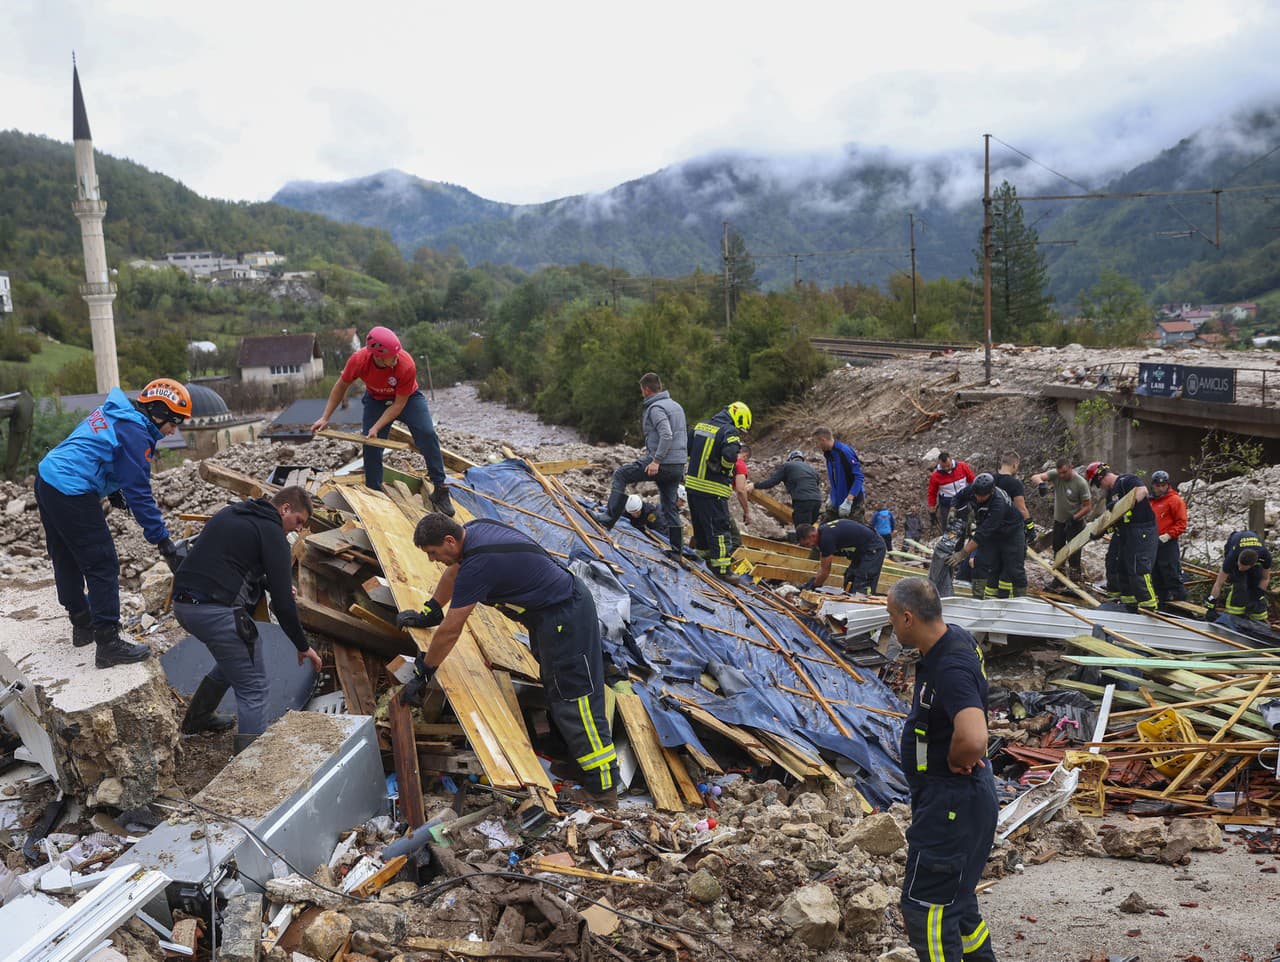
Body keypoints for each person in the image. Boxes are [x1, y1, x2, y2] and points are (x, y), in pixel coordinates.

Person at [396, 514, 618, 804]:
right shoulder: (473, 532)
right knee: (558, 689)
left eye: (433, 553)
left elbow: (452, 629)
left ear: (449, 541)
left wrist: (424, 672)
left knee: (576, 699)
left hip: (566, 616)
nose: (432, 560)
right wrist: (432, 609)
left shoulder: (480, 563)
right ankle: (578, 763)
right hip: (552, 615)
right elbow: (454, 572)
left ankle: (603, 790)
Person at [36, 379, 190, 668]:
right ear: (158, 413)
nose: (174, 430)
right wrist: (165, 543)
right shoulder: (135, 433)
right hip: (72, 490)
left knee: (66, 555)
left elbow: (96, 451)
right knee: (103, 562)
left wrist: (113, 489)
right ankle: (108, 643)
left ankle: (82, 623)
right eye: (174, 422)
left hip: (48, 478)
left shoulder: (116, 413)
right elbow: (140, 492)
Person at [887, 577, 997, 962]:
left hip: (951, 803)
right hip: (962, 801)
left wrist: (956, 757)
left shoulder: (950, 664)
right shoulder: (954, 639)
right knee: (959, 903)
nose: (891, 626)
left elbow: (973, 736)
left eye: (891, 618)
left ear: (907, 617)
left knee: (926, 909)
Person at [172, 486, 323, 753]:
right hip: (216, 611)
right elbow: (284, 606)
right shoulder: (273, 532)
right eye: (298, 521)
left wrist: (269, 581)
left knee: (239, 656)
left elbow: (227, 562)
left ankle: (198, 719)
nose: (298, 530)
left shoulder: (230, 513)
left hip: (184, 605)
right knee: (254, 687)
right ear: (284, 508)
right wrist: (302, 646)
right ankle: (250, 765)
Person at [311, 326, 454, 515]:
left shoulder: (406, 364)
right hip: (376, 400)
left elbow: (398, 405)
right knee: (370, 444)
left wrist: (377, 426)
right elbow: (340, 386)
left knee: (427, 433)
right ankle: (374, 491)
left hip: (408, 399)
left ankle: (440, 488)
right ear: (377, 355)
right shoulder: (359, 360)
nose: (395, 359)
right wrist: (325, 417)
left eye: (396, 355)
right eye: (391, 357)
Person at [596, 373, 687, 560]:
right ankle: (677, 551)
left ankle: (608, 518)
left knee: (621, 475)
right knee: (670, 507)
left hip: (662, 462)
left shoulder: (656, 408)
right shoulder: (676, 406)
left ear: (646, 389)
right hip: (677, 465)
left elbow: (667, 435)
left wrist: (656, 461)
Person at [686, 402, 750, 579]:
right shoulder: (729, 431)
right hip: (713, 488)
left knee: (700, 527)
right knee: (719, 528)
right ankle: (722, 569)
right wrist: (722, 468)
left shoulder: (701, 426)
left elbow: (687, 448)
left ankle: (704, 558)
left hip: (692, 486)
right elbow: (730, 456)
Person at [1087, 463, 1157, 613]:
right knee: (1121, 566)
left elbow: (1142, 491)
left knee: (1138, 568)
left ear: (1101, 476)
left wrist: (1122, 505)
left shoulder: (1127, 480)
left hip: (1141, 529)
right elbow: (1113, 518)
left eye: (1098, 484)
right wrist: (1101, 531)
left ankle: (1149, 606)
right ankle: (1128, 604)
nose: (1100, 487)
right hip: (1126, 531)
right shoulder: (1110, 494)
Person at [946, 473, 1027, 599]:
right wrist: (952, 509)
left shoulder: (998, 504)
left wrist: (962, 554)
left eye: (983, 496)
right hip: (991, 532)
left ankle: (1021, 601)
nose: (978, 498)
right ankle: (977, 598)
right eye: (977, 495)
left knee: (1015, 569)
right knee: (980, 563)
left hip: (1012, 532)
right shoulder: (974, 489)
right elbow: (958, 496)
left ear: (991, 491)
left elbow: (981, 535)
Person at [1029, 458, 1092, 583]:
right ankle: (1059, 579)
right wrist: (1041, 484)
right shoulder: (1056, 475)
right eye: (1060, 473)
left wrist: (1074, 518)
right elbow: (1035, 477)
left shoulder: (1080, 483)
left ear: (1071, 468)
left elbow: (1088, 507)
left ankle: (1075, 581)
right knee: (1058, 551)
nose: (1062, 475)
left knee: (1074, 554)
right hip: (1059, 522)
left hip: (1075, 523)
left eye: (1065, 472)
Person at [796, 520, 886, 595]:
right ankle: (849, 604)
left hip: (874, 547)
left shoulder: (826, 538)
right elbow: (822, 566)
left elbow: (825, 572)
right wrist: (812, 583)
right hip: (862, 548)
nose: (811, 546)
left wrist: (812, 588)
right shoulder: (823, 531)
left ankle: (861, 608)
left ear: (813, 535)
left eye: (808, 543)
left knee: (863, 581)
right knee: (850, 577)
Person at [1206, 530, 1272, 622]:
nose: (1240, 568)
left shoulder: (1265, 555)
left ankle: (1258, 619)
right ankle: (1235, 616)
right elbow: (1218, 583)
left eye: (1243, 567)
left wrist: (1256, 596)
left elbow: (1265, 578)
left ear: (1252, 565)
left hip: (1254, 554)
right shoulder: (1232, 557)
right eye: (1239, 565)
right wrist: (1211, 606)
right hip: (1234, 543)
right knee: (1240, 585)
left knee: (1255, 583)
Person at [1149, 470, 1188, 605]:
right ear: (1153, 486)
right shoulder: (1151, 501)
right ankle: (1163, 605)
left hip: (1168, 544)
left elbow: (1182, 523)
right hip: (1153, 544)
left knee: (1172, 576)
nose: (1160, 488)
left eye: (1163, 485)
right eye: (1157, 486)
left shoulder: (1174, 500)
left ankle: (1182, 606)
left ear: (1167, 485)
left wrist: (1168, 536)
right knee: (1156, 576)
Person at [755, 450, 823, 527]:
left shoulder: (787, 466)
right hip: (817, 501)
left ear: (790, 459)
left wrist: (755, 486)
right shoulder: (812, 469)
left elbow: (772, 482)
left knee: (802, 530)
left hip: (803, 500)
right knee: (809, 528)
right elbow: (816, 483)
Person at [814, 426, 865, 522]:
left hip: (853, 502)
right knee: (826, 530)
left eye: (816, 442)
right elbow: (836, 479)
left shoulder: (844, 452)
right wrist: (832, 497)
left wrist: (849, 500)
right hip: (837, 501)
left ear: (823, 440)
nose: (816, 446)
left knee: (854, 533)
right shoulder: (829, 455)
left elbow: (859, 477)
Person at [994, 450, 1035, 545]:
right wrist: (1030, 528)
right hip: (1009, 528)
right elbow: (1022, 509)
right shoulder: (1015, 484)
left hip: (991, 525)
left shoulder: (990, 479)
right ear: (1014, 465)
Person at [927, 452, 974, 531]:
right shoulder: (935, 476)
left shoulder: (962, 466)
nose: (946, 468)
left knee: (967, 527)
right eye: (943, 466)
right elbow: (932, 493)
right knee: (948, 529)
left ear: (951, 460)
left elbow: (972, 481)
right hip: (947, 506)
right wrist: (932, 510)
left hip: (964, 502)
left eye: (948, 466)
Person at [0, 390, 34, 481]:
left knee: (13, 455)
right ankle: (10, 476)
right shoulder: (26, 403)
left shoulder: (19, 405)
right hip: (21, 430)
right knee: (14, 456)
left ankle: (10, 477)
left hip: (17, 431)